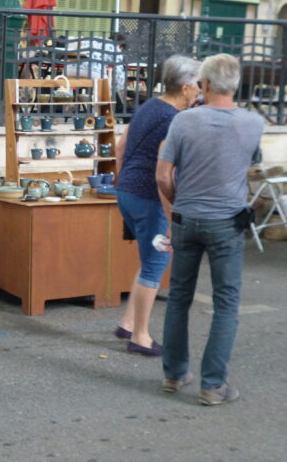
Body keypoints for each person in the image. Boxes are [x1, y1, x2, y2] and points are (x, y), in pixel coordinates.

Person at [156, 53, 264, 405]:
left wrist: (178, 202)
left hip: (186, 220)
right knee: (226, 303)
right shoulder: (254, 124)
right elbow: (250, 165)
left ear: (204, 85)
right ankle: (213, 385)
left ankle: (174, 374)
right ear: (235, 86)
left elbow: (162, 175)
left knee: (179, 299)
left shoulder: (184, 122)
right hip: (227, 223)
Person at [113, 55, 201, 357]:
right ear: (186, 86)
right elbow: (163, 174)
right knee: (155, 262)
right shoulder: (174, 118)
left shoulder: (150, 105)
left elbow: (120, 146)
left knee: (149, 259)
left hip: (127, 191)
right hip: (149, 198)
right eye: (199, 86)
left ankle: (127, 323)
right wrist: (170, 213)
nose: (200, 91)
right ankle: (140, 337)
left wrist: (122, 181)